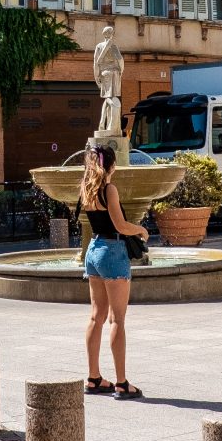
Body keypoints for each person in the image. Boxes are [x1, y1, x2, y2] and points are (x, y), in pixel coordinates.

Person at [78, 143, 147, 400]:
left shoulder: (86, 188)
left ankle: (93, 378)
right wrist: (140, 230)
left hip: (93, 250)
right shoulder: (109, 189)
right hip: (112, 251)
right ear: (112, 165)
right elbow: (120, 226)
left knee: (96, 317)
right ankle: (121, 383)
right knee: (117, 319)